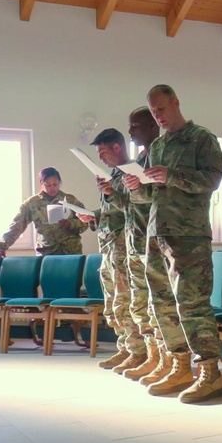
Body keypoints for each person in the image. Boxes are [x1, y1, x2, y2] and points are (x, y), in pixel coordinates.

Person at [124, 85, 222, 404]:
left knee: (192, 304)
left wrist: (172, 176)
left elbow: (212, 179)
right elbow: (150, 195)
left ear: (176, 103)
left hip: (189, 235)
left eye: (162, 109)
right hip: (158, 233)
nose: (159, 116)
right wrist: (136, 186)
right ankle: (180, 365)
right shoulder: (157, 145)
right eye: (154, 112)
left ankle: (210, 372)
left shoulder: (201, 138)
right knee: (162, 303)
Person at [76, 129, 144, 374]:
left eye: (103, 152)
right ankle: (125, 347)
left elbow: (135, 210)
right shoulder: (112, 175)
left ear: (117, 147)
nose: (101, 158)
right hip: (109, 247)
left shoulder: (134, 173)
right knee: (114, 302)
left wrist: (110, 193)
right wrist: (92, 216)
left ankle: (138, 351)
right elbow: (112, 212)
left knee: (127, 302)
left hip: (126, 248)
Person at [0, 167, 87, 261]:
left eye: (55, 184)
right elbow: (16, 225)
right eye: (48, 185)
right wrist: (2, 249)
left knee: (72, 277)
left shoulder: (70, 200)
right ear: (41, 183)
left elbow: (87, 221)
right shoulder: (31, 203)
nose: (52, 188)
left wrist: (71, 224)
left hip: (72, 251)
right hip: (47, 252)